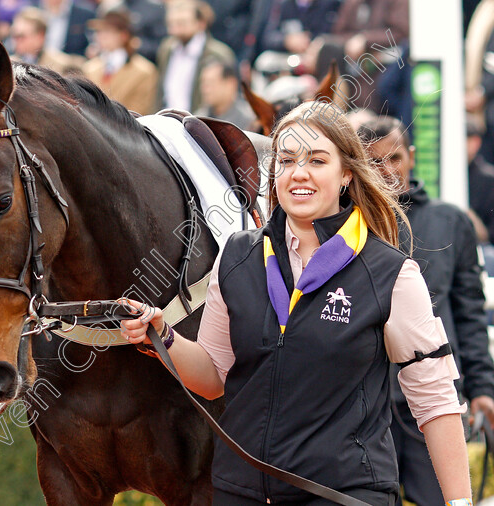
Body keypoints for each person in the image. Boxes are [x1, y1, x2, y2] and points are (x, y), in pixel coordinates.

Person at [120, 101, 472, 505]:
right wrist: (163, 335)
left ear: (346, 175)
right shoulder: (235, 256)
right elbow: (214, 377)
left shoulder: (391, 274)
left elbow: (436, 402)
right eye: (286, 160)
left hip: (342, 495)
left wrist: (460, 504)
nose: (299, 172)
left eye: (317, 160)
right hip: (240, 492)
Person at [358, 116, 494, 506]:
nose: (386, 170)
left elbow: (469, 314)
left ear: (412, 157)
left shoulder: (450, 223)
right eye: (374, 162)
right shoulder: (346, 226)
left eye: (394, 158)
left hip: (431, 407)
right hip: (364, 409)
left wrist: (482, 388)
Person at [156, 0, 235, 113]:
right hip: (166, 118)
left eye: (182, 23)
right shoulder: (166, 49)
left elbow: (224, 99)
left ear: (201, 23)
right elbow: (160, 91)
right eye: (172, 23)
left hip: (199, 123)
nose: (175, 29)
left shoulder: (218, 54)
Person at [82, 9, 157, 115]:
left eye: (107, 31)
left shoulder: (145, 71)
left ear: (124, 35)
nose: (101, 36)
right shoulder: (90, 68)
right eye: (99, 31)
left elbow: (139, 112)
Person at [193, 57, 254, 129]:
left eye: (211, 83)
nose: (205, 89)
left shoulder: (248, 121)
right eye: (203, 83)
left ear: (230, 84)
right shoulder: (197, 120)